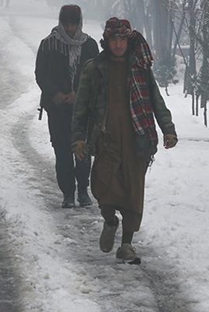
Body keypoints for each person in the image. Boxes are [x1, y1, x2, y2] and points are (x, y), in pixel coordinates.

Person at [71, 17, 177, 263]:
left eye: (122, 40)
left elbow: (156, 100)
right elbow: (81, 108)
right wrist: (78, 138)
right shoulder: (94, 68)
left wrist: (168, 129)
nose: (118, 45)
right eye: (113, 40)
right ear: (106, 41)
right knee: (101, 185)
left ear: (128, 41)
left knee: (133, 192)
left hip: (137, 140)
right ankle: (110, 221)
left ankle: (127, 244)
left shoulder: (140, 68)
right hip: (106, 139)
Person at [36, 5, 100, 208]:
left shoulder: (89, 45)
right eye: (67, 24)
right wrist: (55, 94)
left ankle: (83, 190)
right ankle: (67, 193)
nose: (70, 28)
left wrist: (78, 94)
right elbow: (41, 74)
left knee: (82, 150)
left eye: (73, 23)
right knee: (62, 151)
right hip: (57, 109)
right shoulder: (48, 45)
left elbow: (95, 75)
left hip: (83, 109)